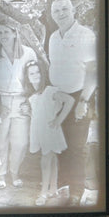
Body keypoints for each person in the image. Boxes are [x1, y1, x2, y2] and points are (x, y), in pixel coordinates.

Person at [48, 0, 97, 199]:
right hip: (58, 99)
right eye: (57, 10)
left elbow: (93, 70)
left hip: (78, 97)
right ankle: (64, 188)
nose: (61, 13)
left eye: (65, 9)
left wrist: (83, 101)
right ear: (52, 15)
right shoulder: (53, 37)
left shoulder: (86, 35)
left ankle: (77, 194)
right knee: (60, 146)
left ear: (73, 10)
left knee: (76, 148)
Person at [0, 18, 37, 189]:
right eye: (0, 32)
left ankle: (15, 173)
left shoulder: (28, 53)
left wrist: (29, 101)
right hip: (1, 101)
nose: (3, 35)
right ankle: (0, 175)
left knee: (20, 142)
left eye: (6, 31)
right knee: (0, 141)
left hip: (21, 102)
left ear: (15, 33)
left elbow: (35, 80)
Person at [23, 60, 75, 206]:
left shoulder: (49, 91)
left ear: (43, 73)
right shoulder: (32, 96)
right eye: (31, 73)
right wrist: (28, 113)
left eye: (38, 72)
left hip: (50, 130)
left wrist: (59, 120)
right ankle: (53, 188)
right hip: (40, 131)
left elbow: (69, 100)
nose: (35, 75)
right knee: (51, 159)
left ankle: (43, 193)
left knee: (46, 160)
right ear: (27, 77)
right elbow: (38, 114)